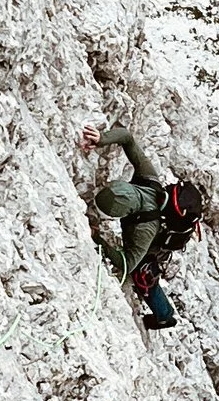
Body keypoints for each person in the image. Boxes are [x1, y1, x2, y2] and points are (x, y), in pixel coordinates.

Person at [84, 124, 203, 330]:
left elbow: (127, 264)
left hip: (156, 243)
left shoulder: (146, 229)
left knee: (142, 274)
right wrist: (101, 138)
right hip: (153, 224)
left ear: (127, 212)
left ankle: (165, 316)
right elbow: (127, 137)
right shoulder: (148, 178)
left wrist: (98, 239)